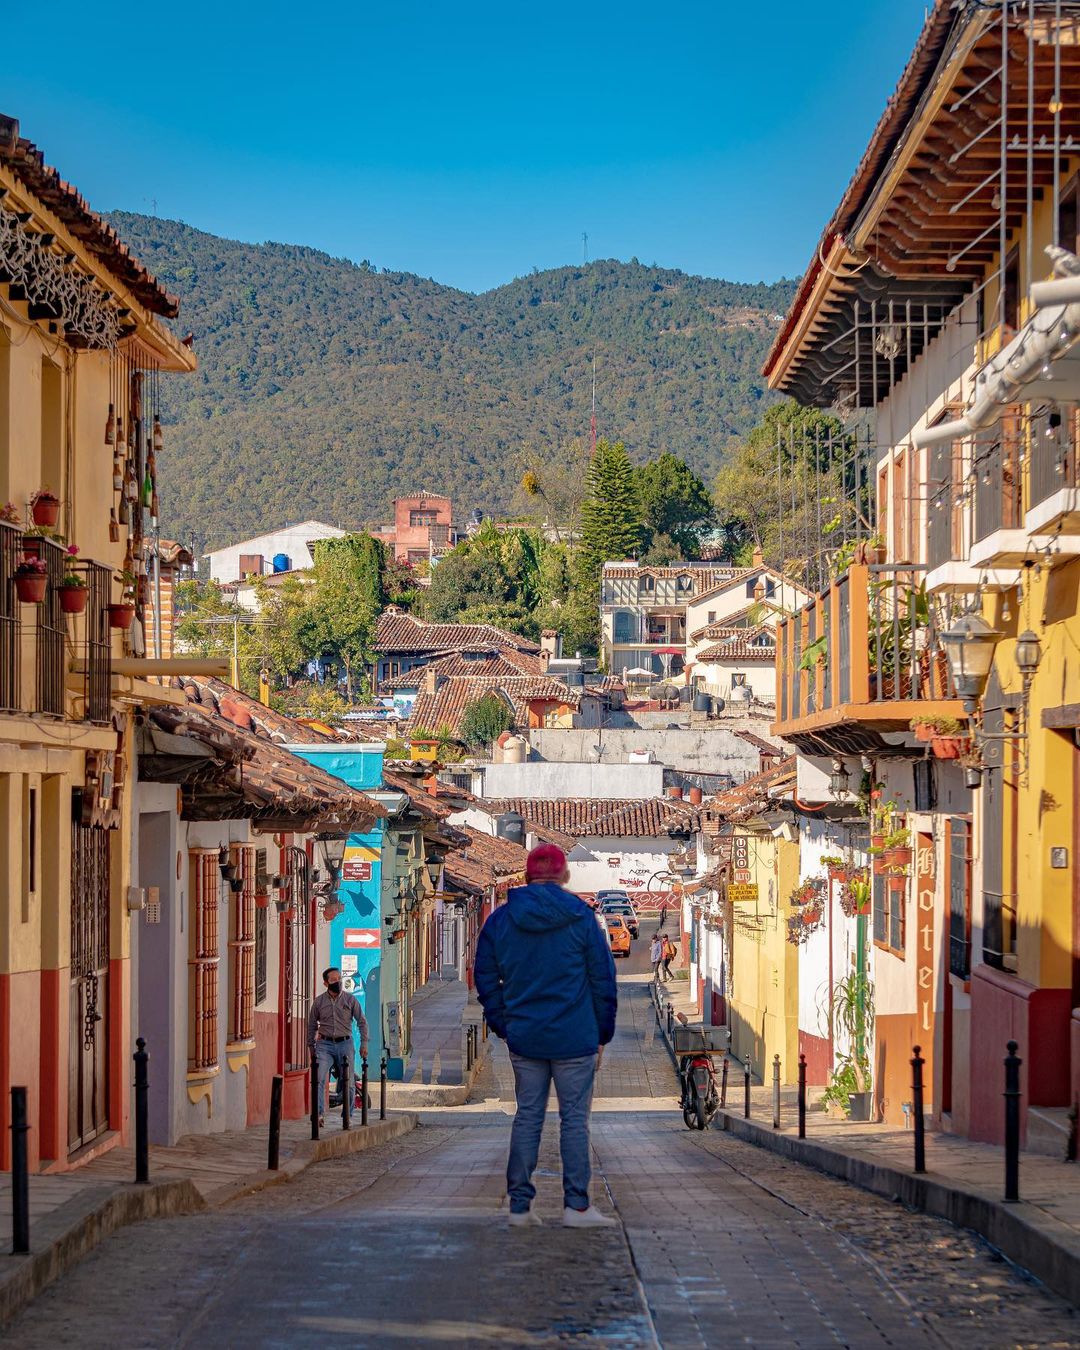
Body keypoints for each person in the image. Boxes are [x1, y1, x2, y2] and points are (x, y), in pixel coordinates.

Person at [475, 842, 618, 1229]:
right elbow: (603, 980)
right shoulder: (583, 918)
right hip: (576, 1037)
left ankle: (520, 1207)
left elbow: (485, 976)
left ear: (525, 876)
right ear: (565, 875)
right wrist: (602, 1033)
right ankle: (577, 1207)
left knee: (527, 1117)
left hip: (525, 1035)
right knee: (574, 1121)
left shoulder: (500, 921)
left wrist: (503, 1023)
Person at [308, 966, 368, 1129]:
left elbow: (362, 1022)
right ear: (326, 983)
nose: (338, 982)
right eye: (333, 980)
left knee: (348, 1081)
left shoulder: (350, 1000)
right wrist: (311, 1046)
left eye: (339, 979)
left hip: (345, 1043)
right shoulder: (319, 1002)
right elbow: (312, 1025)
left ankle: (347, 1116)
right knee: (318, 1078)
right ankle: (318, 1114)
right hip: (325, 1044)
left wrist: (364, 1043)